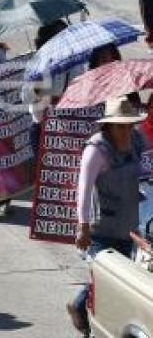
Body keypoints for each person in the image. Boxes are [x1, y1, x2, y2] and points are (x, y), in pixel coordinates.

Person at [67, 96, 145, 335]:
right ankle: (79, 305)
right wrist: (83, 226)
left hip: (128, 225)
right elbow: (84, 188)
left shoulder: (137, 141)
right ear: (109, 125)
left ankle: (89, 311)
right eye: (121, 126)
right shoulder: (96, 149)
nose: (126, 131)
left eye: (129, 125)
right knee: (104, 280)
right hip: (101, 229)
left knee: (115, 283)